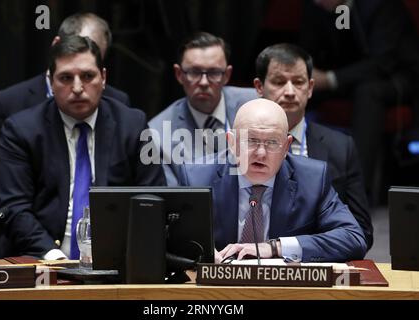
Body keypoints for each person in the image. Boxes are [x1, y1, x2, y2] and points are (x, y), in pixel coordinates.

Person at [0, 36, 166, 259]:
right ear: (50, 82)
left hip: (117, 260)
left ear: (103, 78)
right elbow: (14, 207)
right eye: (65, 78)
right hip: (42, 260)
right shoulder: (21, 130)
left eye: (87, 76)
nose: (77, 87)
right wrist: (53, 256)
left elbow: (153, 196)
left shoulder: (133, 125)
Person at [0, 12, 130, 214]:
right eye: (79, 47)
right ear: (57, 44)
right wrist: (29, 219)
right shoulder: (11, 102)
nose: (78, 86)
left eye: (96, 57)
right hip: (24, 229)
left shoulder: (119, 105)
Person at [179, 98, 367, 263]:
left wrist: (276, 247)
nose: (261, 153)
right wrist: (198, 250)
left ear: (286, 147)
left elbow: (353, 237)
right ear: (232, 143)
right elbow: (167, 237)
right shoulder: (197, 178)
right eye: (251, 140)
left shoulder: (313, 179)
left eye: (272, 142)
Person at [253, 43, 373, 250]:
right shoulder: (239, 144)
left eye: (298, 82)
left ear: (310, 88)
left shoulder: (341, 147)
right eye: (279, 82)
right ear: (259, 87)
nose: (290, 92)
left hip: (314, 262)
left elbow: (361, 231)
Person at [299, 0, 419, 193]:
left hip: (395, 77)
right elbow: (309, 49)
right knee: (291, 87)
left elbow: (382, 62)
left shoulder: (382, 5)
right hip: (345, 76)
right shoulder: (320, 7)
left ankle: (357, 192)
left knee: (368, 92)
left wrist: (330, 79)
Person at [149, 32, 257, 186]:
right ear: (179, 74)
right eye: (194, 72)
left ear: (227, 75)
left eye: (214, 72)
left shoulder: (255, 106)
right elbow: (175, 198)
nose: (204, 82)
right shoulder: (158, 133)